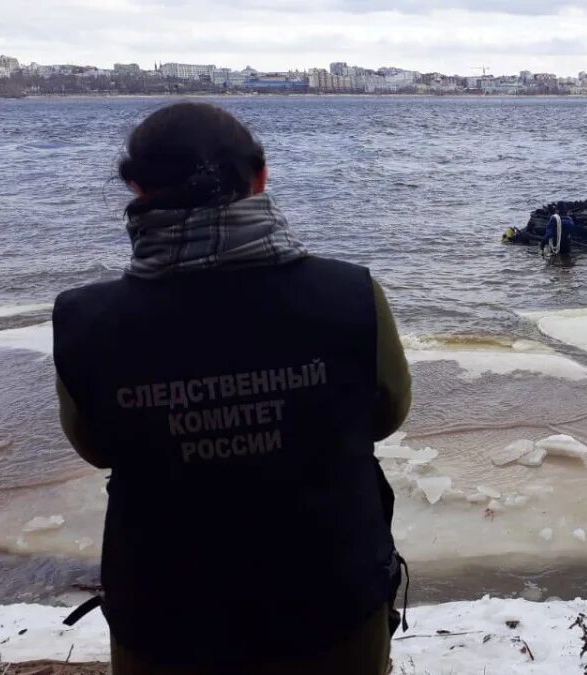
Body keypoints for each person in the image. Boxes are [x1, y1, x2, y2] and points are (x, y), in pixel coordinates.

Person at [52, 101, 411, 675]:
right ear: (261, 177)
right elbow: (388, 411)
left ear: (135, 188)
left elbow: (96, 446)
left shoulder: (84, 320)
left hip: (165, 613)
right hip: (330, 602)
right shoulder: (349, 294)